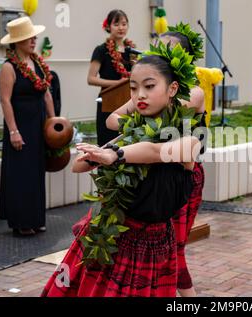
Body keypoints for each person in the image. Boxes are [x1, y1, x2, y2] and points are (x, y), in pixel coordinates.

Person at [41, 42, 202, 297]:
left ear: (172, 89)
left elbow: (155, 152)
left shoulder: (188, 142)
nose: (140, 95)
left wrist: (114, 155)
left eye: (149, 87)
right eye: (134, 88)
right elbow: (78, 166)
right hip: (113, 237)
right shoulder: (129, 136)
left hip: (153, 247)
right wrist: (99, 154)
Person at [106, 23, 206, 297]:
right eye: (157, 49)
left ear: (184, 60)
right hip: (147, 169)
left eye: (168, 51)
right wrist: (136, 120)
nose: (160, 55)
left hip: (181, 173)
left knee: (174, 245)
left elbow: (159, 119)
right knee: (151, 243)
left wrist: (135, 120)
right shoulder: (148, 93)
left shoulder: (194, 92)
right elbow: (112, 119)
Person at [0, 17, 55, 236]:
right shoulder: (8, 67)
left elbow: (46, 93)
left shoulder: (38, 63)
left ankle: (36, 218)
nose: (33, 40)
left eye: (34, 37)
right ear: (17, 42)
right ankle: (21, 221)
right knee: (21, 172)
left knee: (36, 171)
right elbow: (5, 100)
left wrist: (54, 122)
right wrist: (13, 131)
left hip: (39, 123)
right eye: (28, 38)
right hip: (20, 123)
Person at [87, 9, 137, 146]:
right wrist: (117, 83)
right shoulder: (101, 50)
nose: (121, 28)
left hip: (128, 102)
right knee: (107, 144)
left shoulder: (132, 51)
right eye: (116, 24)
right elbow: (91, 79)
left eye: (124, 24)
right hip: (107, 102)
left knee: (128, 143)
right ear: (108, 27)